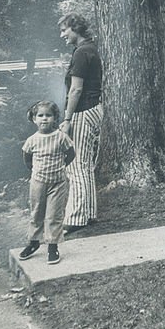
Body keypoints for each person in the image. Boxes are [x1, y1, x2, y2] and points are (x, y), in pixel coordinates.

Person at [58, 13, 103, 233]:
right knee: (85, 165)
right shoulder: (90, 48)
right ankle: (89, 212)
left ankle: (76, 218)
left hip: (83, 112)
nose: (62, 34)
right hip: (94, 109)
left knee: (76, 166)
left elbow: (76, 89)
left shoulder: (82, 52)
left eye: (64, 29)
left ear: (75, 29)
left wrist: (67, 119)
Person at [19, 101, 75, 265]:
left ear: (55, 118)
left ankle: (52, 246)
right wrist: (34, 170)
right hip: (38, 183)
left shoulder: (61, 137)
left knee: (54, 215)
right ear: (34, 119)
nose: (44, 119)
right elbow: (27, 158)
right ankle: (34, 242)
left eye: (48, 115)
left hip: (57, 184)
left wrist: (62, 166)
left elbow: (70, 154)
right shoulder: (32, 140)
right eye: (40, 116)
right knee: (36, 212)